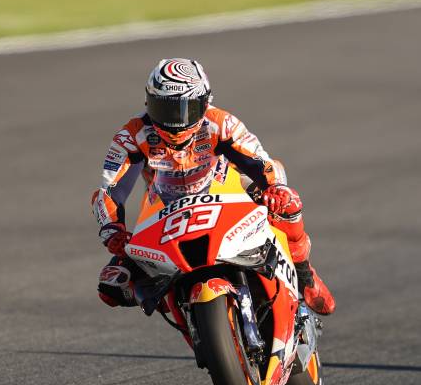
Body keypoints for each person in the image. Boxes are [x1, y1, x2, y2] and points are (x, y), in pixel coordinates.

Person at [93, 58, 335, 315]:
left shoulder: (220, 122)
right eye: (165, 109)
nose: (176, 122)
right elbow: (109, 191)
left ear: (205, 103)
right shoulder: (132, 136)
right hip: (163, 208)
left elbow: (260, 162)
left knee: (288, 203)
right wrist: (112, 230)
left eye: (187, 110)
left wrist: (274, 188)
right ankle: (178, 302)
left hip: (226, 190)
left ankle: (304, 274)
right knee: (111, 285)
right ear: (148, 103)